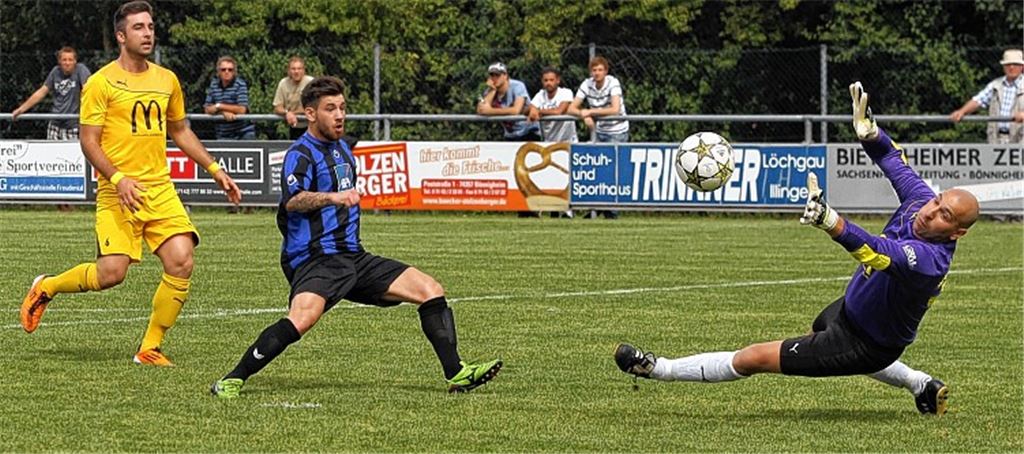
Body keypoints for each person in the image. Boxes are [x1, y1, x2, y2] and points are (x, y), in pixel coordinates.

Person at [614, 82, 980, 416]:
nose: (931, 211)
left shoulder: (930, 261)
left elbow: (878, 251)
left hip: (867, 342)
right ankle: (922, 386)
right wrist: (871, 133)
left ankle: (656, 367)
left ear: (957, 233)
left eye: (944, 214)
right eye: (938, 201)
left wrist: (831, 221)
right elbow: (893, 161)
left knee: (754, 357)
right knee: (820, 326)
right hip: (851, 312)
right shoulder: (922, 201)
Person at [210, 76, 502, 398]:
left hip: (354, 256)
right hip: (316, 258)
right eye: (330, 109)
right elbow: (292, 201)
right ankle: (232, 379)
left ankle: (456, 373)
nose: (339, 115)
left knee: (430, 290)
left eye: (343, 108)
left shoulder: (343, 150)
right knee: (302, 319)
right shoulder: (300, 154)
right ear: (310, 113)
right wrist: (332, 197)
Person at [19, 0, 242, 367]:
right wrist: (119, 178)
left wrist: (215, 169)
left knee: (182, 260)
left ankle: (149, 348)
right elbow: (88, 141)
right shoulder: (101, 82)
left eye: (151, 26)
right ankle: (46, 287)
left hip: (159, 187)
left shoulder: (166, 79)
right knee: (111, 274)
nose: (148, 32)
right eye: (138, 27)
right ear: (121, 36)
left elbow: (180, 131)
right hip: (116, 190)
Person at [11, 46, 92, 140]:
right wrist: (21, 109)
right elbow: (41, 92)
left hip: (73, 124)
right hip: (55, 124)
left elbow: (89, 90)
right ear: (59, 62)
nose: (67, 63)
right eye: (64, 60)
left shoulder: (81, 70)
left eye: (70, 60)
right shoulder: (55, 72)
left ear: (75, 61)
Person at [949, 49, 1024, 144]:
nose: (1011, 67)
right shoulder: (995, 85)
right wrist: (962, 112)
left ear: (1022, 67)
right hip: (996, 139)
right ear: (1003, 67)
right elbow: (978, 100)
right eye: (1008, 64)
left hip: (1020, 139)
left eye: (1015, 64)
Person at [568, 55, 629, 143]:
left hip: (617, 131)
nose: (597, 73)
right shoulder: (587, 84)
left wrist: (590, 112)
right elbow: (570, 109)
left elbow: (615, 109)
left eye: (600, 70)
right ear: (591, 72)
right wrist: (583, 115)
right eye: (594, 70)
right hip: (599, 130)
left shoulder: (613, 82)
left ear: (606, 72)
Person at [476, 62, 541, 141]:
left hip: (528, 132)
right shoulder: (489, 91)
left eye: (497, 75)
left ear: (505, 76)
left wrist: (490, 111)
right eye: (492, 75)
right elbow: (481, 110)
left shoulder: (517, 86)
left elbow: (516, 110)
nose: (494, 78)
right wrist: (493, 90)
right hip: (510, 135)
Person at [203, 56, 256, 140]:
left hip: (243, 132)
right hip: (223, 134)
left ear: (234, 72)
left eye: (230, 69)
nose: (226, 72)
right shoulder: (214, 85)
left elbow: (242, 110)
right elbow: (207, 109)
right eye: (223, 69)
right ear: (218, 72)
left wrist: (219, 106)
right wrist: (222, 112)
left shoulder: (240, 84)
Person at [527, 66, 578, 143]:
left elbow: (559, 111)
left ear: (558, 81)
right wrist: (532, 110)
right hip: (548, 142)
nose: (548, 83)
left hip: (568, 141)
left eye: (551, 80)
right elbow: (530, 108)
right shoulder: (540, 95)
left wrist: (539, 111)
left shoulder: (566, 93)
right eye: (546, 80)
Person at [273, 56, 314, 140]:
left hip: (312, 126)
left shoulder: (311, 82)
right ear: (289, 71)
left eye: (299, 69)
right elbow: (277, 107)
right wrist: (287, 113)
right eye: (293, 69)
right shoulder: (283, 83)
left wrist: (292, 113)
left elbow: (313, 106)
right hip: (294, 127)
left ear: (304, 71)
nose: (296, 72)